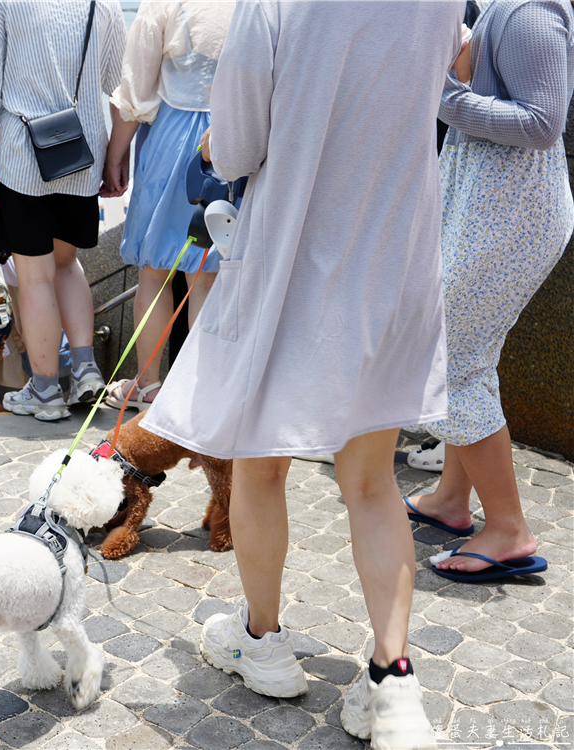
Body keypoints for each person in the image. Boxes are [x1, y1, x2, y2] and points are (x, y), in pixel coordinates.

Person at [140, 1, 463, 747]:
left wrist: (225, 138)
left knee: (262, 468)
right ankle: (393, 681)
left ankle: (264, 642)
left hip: (292, 262)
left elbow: (237, 148)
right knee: (374, 483)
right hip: (393, 259)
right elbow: (456, 66)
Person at [405, 0, 573, 580]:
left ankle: (507, 528)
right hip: (493, 206)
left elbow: (542, 123)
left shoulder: (530, 11)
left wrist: (441, 95)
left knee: (454, 360)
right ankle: (453, 501)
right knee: (470, 355)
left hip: (510, 214)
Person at [0, 0, 126, 421]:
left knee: (34, 276)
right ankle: (87, 368)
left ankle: (47, 390)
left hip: (22, 155)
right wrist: (115, 158)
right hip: (82, 150)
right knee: (68, 265)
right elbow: (121, 86)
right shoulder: (103, 2)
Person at [102, 0, 231, 411]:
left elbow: (134, 94)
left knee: (155, 273)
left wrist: (115, 157)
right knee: (205, 276)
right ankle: (199, 391)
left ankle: (148, 386)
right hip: (229, 139)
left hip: (173, 140)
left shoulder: (163, 5)